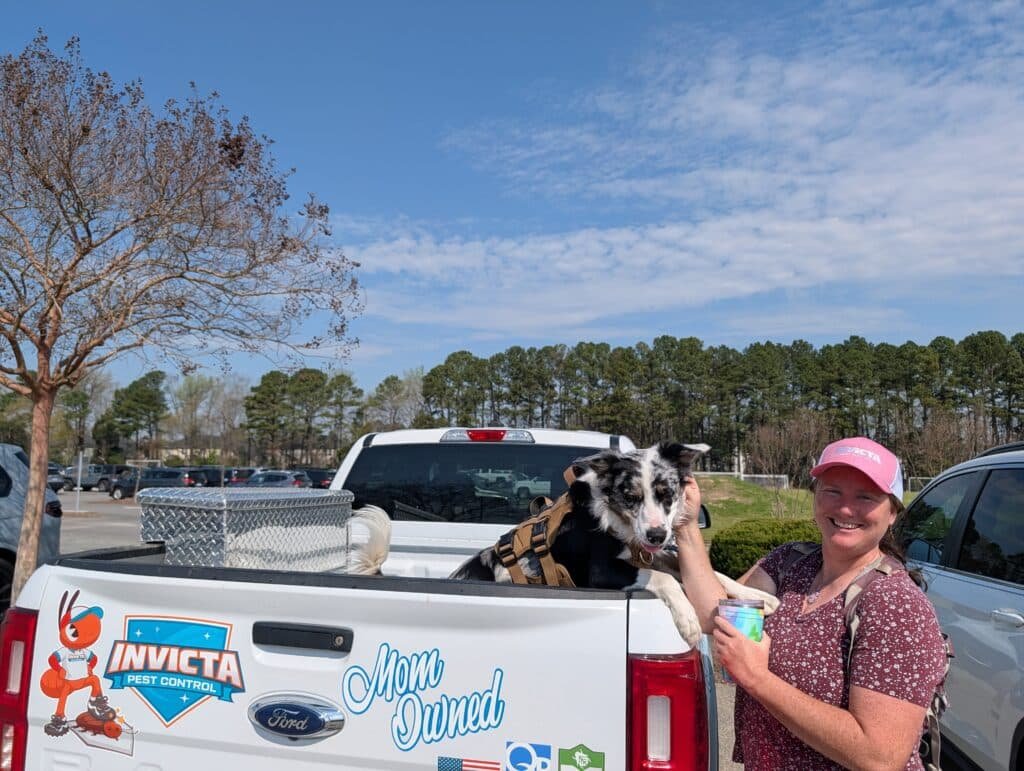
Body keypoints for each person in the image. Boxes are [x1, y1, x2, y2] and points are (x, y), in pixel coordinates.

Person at [674, 436, 948, 771]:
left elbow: (879, 756)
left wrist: (758, 678)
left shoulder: (895, 605)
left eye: (866, 496)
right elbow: (714, 614)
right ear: (816, 495)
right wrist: (686, 525)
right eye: (833, 490)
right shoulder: (791, 562)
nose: (845, 509)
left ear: (892, 512)